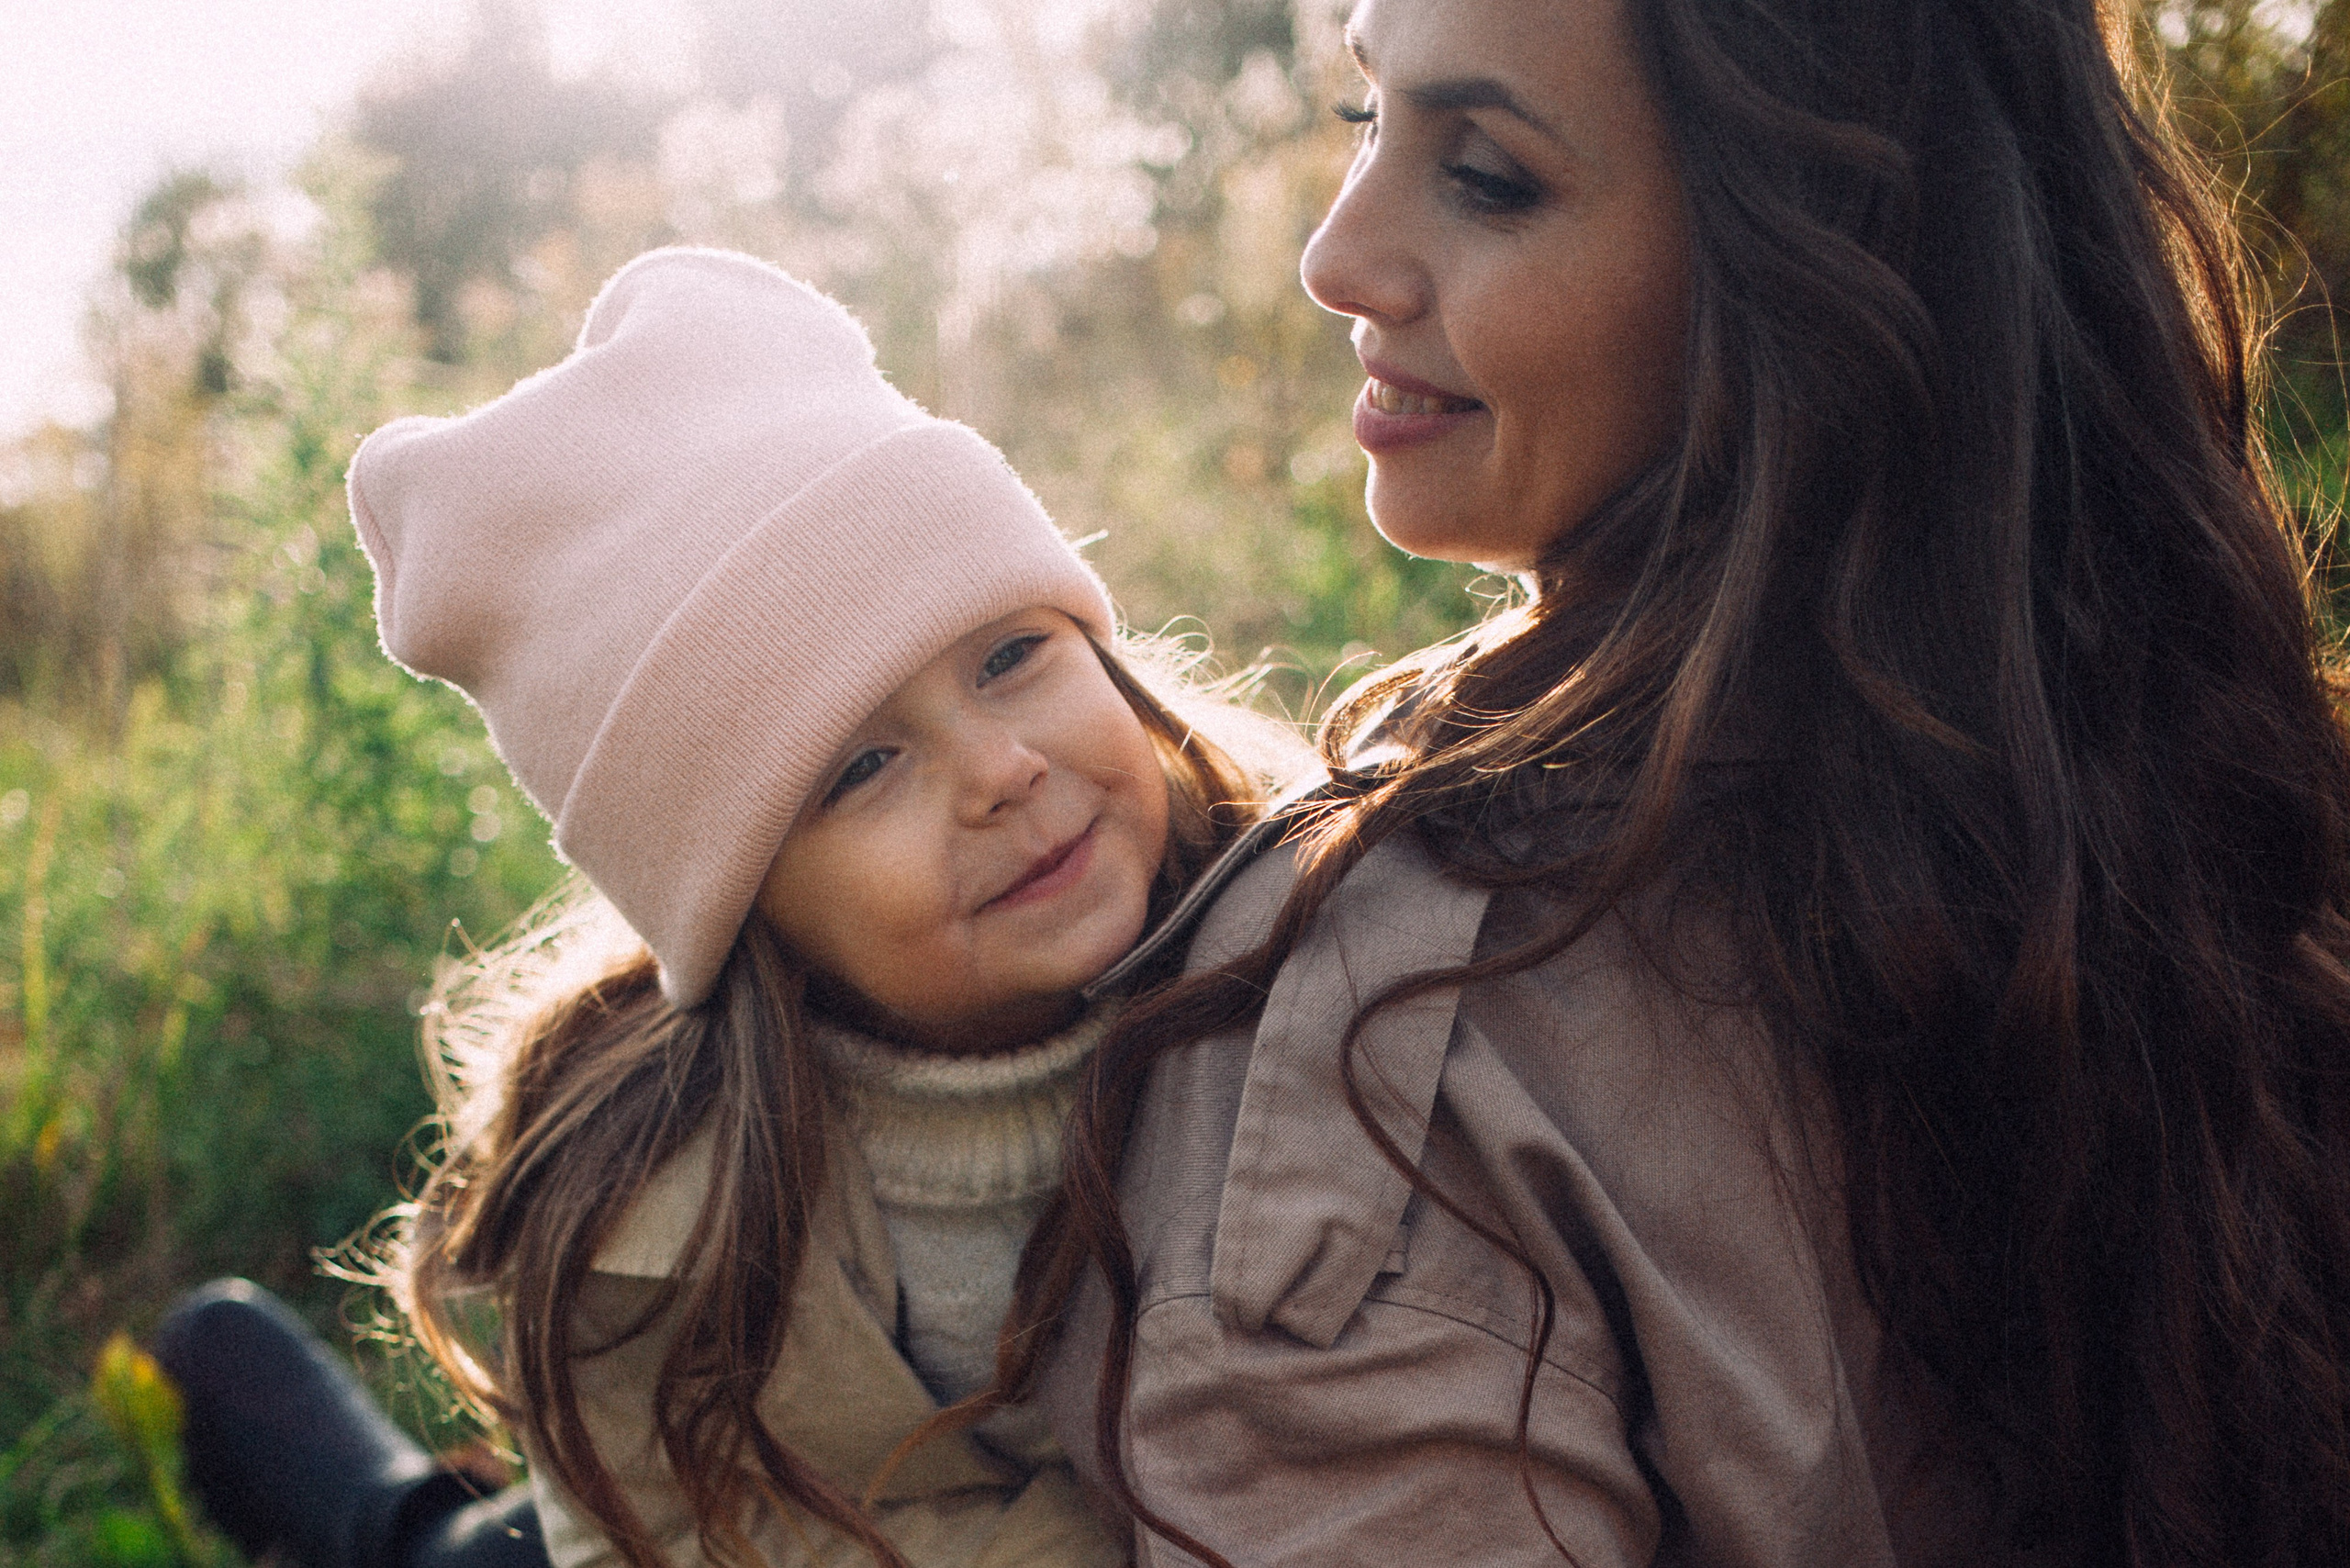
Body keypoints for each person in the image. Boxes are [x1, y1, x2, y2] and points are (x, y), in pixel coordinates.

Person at [976, 0, 2350, 1563]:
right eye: (1370, 121)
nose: (1337, 258)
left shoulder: (1382, 1038)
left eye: (1487, 174)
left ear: (1814, 259)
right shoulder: (2226, 803)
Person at [151, 246, 1309, 1568]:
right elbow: (651, 1527)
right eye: (863, 767)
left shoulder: (1332, 936)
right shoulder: (645, 1196)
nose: (1001, 770)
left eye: (1011, 655)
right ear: (739, 901)